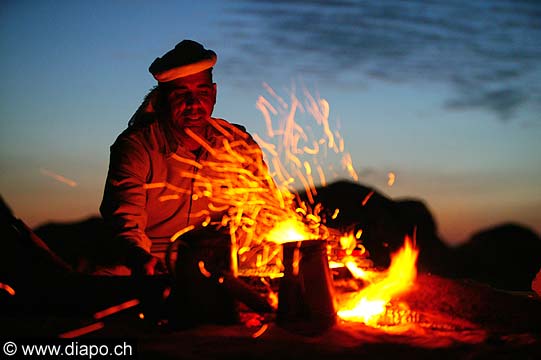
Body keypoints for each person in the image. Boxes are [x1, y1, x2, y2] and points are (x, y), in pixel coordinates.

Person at [100, 40, 270, 276]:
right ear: (162, 99)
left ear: (213, 93)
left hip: (221, 266)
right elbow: (125, 223)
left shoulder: (238, 143)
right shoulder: (136, 147)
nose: (194, 104)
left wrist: (233, 246)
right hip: (150, 267)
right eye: (182, 94)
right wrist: (141, 258)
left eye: (202, 92)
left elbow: (262, 209)